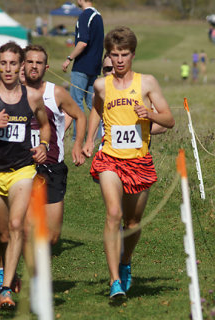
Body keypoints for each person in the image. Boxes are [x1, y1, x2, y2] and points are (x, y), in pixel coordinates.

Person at [82, 26, 175, 298]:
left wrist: (150, 114)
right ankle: (114, 282)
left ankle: (125, 263)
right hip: (109, 158)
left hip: (139, 160)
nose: (119, 60)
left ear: (132, 54)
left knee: (132, 223)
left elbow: (169, 120)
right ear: (109, 56)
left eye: (123, 54)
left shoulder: (147, 83)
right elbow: (96, 112)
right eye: (114, 55)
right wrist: (89, 140)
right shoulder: (102, 85)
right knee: (113, 213)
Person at [0, 41, 50, 309]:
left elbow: (46, 125)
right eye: (3, 63)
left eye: (13, 63)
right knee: (3, 235)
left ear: (22, 66)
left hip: (22, 170)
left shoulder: (32, 96)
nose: (7, 68)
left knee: (17, 225)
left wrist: (44, 146)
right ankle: (10, 267)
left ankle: (5, 289)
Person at [23, 44, 86, 245]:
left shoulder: (56, 92)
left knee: (52, 237)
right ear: (22, 65)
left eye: (39, 63)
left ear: (46, 67)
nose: (34, 66)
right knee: (25, 229)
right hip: (21, 167)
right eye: (30, 62)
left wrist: (77, 144)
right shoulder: (12, 93)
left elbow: (80, 115)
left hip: (52, 167)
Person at [61, 0, 103, 140]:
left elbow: (83, 42)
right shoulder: (98, 15)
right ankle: (98, 138)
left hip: (82, 66)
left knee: (75, 104)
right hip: (95, 67)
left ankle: (76, 138)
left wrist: (69, 58)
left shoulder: (85, 15)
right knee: (94, 106)